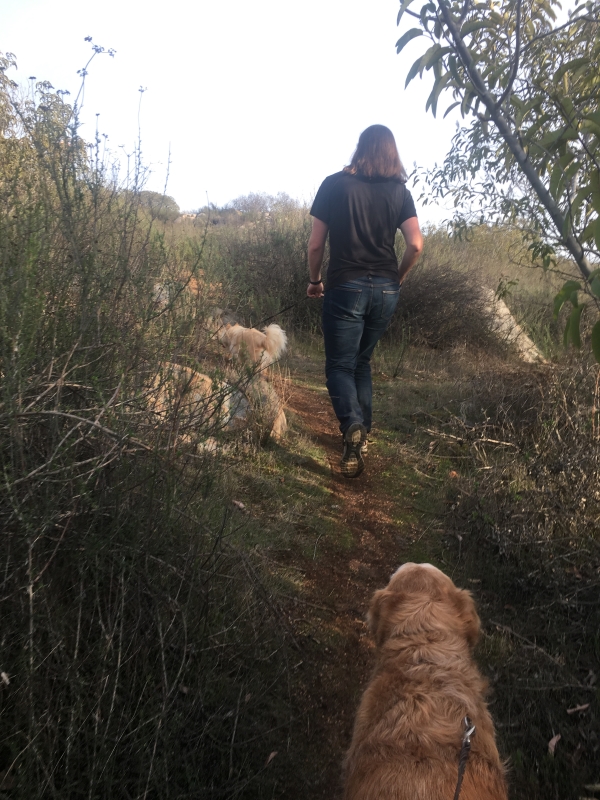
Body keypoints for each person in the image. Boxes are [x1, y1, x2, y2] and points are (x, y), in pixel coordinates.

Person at [307, 124, 423, 478]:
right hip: (386, 289)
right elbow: (416, 244)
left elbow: (316, 244)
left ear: (360, 149)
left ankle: (352, 425)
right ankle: (363, 434)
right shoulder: (400, 192)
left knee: (339, 366)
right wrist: (398, 277)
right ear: (392, 152)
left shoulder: (334, 184)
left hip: (346, 285)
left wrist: (315, 281)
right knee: (362, 362)